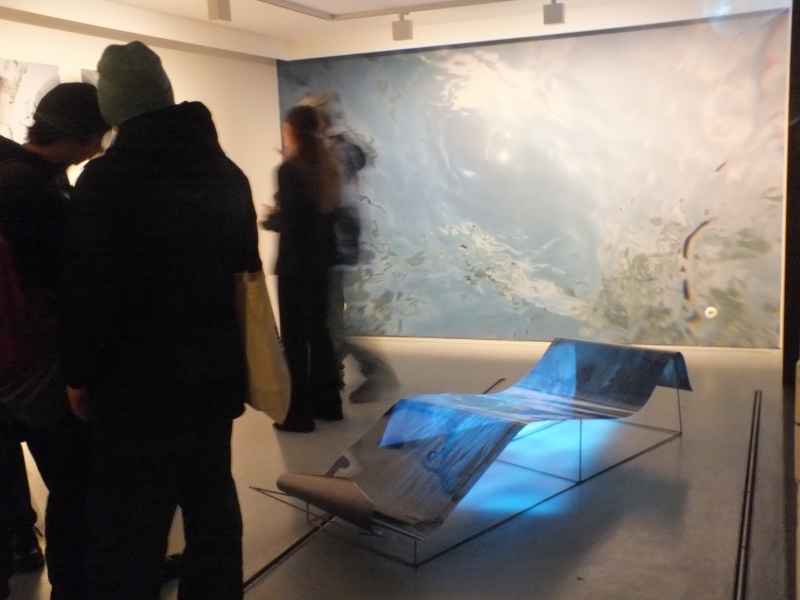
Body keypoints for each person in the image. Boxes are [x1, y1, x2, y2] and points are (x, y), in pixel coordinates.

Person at [59, 41, 260, 600]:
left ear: (114, 106)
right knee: (212, 504)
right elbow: (245, 274)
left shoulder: (105, 180)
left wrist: (78, 373)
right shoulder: (227, 174)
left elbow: (89, 290)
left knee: (130, 523)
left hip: (135, 385)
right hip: (213, 372)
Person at [0, 82, 111, 600]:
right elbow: (67, 290)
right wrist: (81, 373)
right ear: (78, 135)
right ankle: (75, 586)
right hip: (39, 364)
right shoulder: (35, 191)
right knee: (74, 485)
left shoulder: (13, 174)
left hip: (11, 358)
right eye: (97, 136)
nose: (99, 147)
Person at [299, 96, 399, 404]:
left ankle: (377, 373)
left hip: (333, 247)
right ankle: (334, 379)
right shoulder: (338, 149)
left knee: (330, 323)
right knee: (328, 319)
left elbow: (332, 199)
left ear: (317, 122)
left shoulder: (331, 153)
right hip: (338, 246)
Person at [261, 104, 342, 432]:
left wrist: (269, 219)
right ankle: (329, 405)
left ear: (292, 131)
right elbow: (321, 216)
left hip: (295, 263)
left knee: (294, 339)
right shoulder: (328, 167)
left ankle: (299, 415)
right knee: (319, 333)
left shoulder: (289, 170)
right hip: (320, 261)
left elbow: (292, 220)